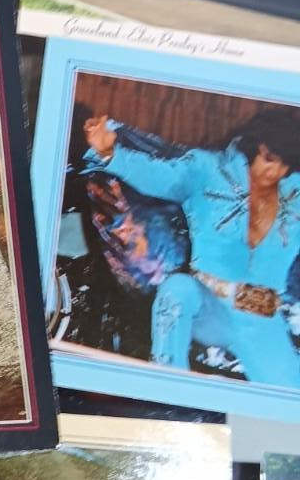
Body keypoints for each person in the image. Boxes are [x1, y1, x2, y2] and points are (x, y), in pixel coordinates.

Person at [82, 110, 300, 387]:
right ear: (253, 146)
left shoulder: (295, 193)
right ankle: (168, 390)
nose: (275, 172)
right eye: (269, 159)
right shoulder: (207, 170)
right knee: (177, 290)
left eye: (286, 166)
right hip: (210, 308)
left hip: (263, 323)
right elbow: (157, 175)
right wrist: (110, 153)